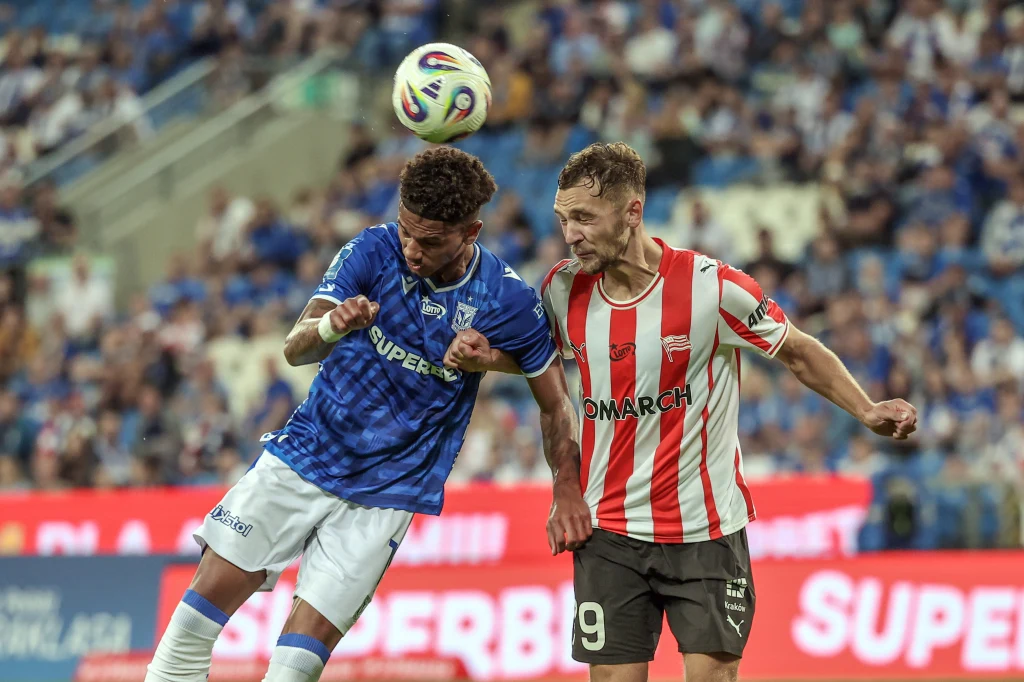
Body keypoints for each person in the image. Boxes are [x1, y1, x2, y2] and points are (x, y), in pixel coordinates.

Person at [444, 142, 918, 682]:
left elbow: (798, 349)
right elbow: (539, 362)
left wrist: (866, 408)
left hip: (705, 531)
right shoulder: (562, 288)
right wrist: (491, 358)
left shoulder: (711, 289)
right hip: (610, 533)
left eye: (583, 218)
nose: (569, 234)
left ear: (632, 212)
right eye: (563, 219)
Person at [144, 147, 591, 682]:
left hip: (387, 492)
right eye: (406, 230)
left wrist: (565, 485)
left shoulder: (506, 299)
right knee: (189, 635)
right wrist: (335, 325)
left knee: (291, 673)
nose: (411, 249)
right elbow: (296, 348)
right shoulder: (374, 249)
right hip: (305, 454)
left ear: (471, 232)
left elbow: (556, 400)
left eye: (429, 241)